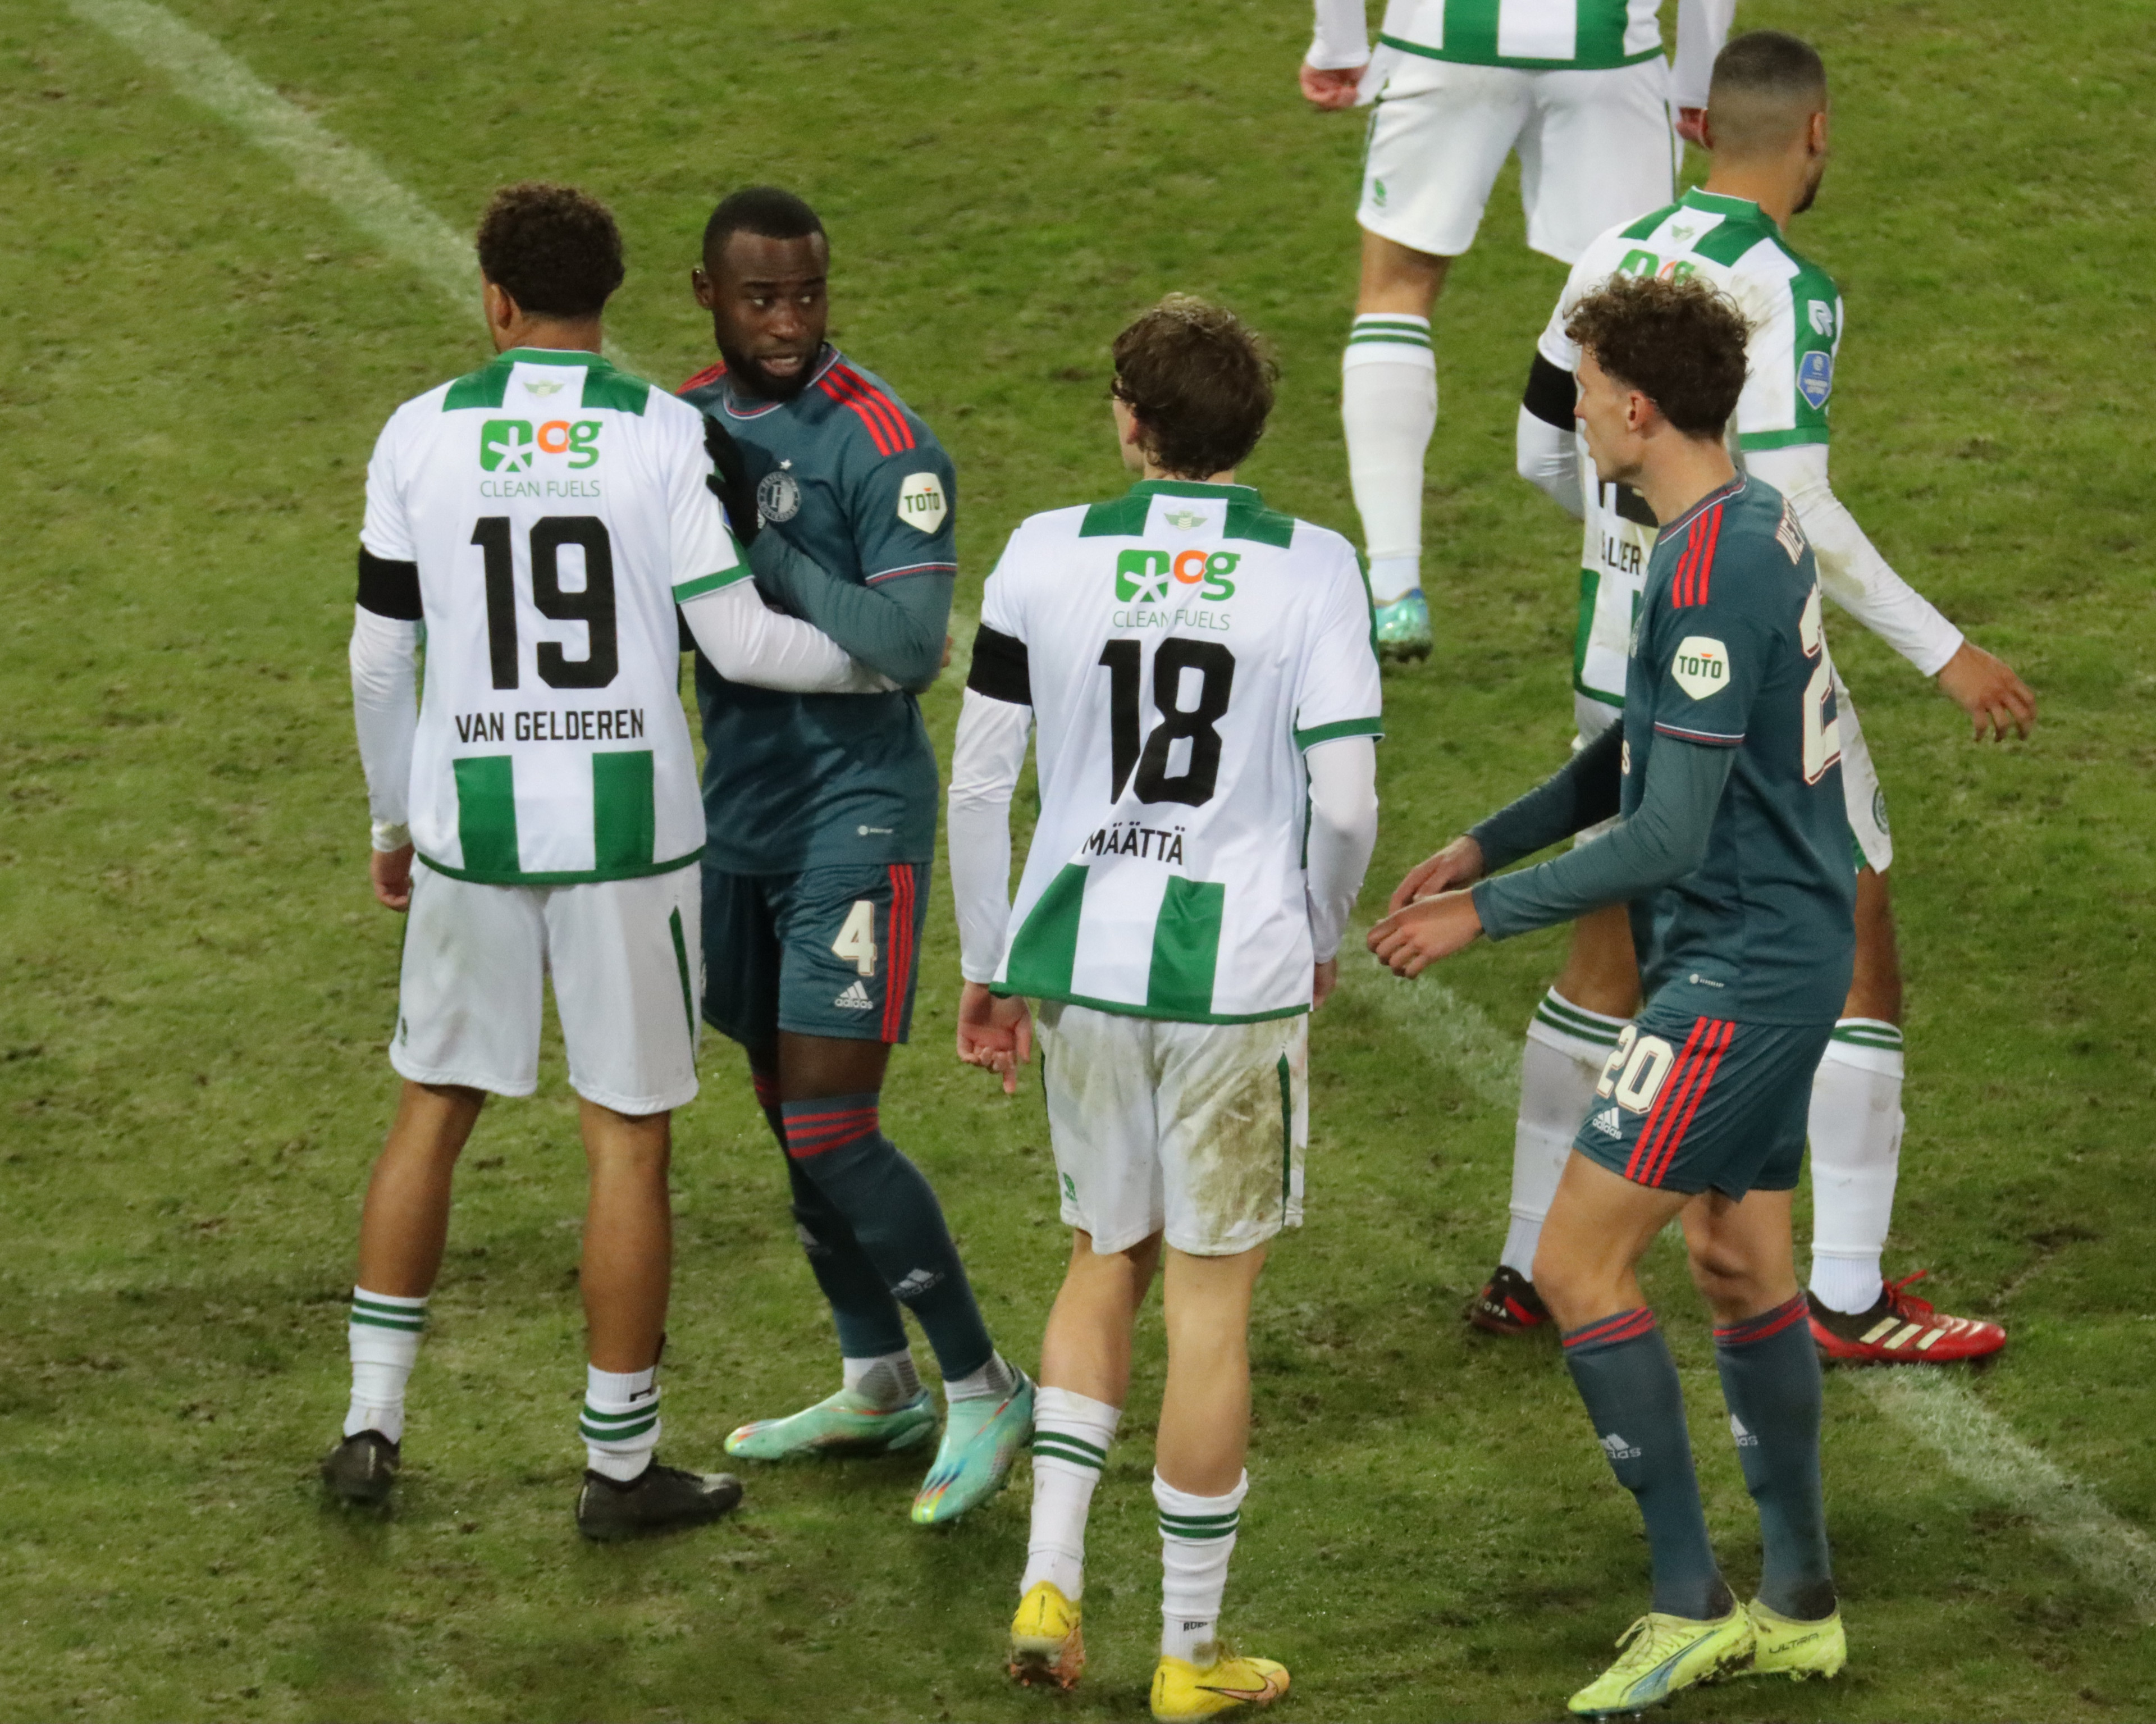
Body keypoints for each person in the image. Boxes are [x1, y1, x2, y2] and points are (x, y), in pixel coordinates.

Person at [327, 183, 896, 1538]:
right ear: (612, 298)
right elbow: (744, 642)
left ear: (496, 298)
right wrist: (879, 662)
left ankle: (370, 1423)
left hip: (472, 820)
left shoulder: (419, 433)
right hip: (635, 831)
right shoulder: (659, 431)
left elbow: (376, 656)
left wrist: (391, 823)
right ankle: (620, 1467)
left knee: (433, 1107)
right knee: (625, 1140)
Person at [1465, 29, 2034, 1362]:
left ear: (1699, 126)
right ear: (1816, 133)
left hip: (1618, 642)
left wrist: (1631, 542)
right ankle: (1840, 1289)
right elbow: (1794, 503)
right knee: (1851, 925)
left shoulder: (1608, 250)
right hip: (1746, 655)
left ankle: (1518, 1261)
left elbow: (1541, 445)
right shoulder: (1790, 290)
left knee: (1604, 952)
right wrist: (1943, 648)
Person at [1372, 271, 1850, 1714]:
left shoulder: (1705, 565)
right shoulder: (1737, 515)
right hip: (1776, 940)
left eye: (1582, 392)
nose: (1574, 415)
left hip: (1736, 963)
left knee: (1577, 1265)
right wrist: (1488, 833)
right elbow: (1639, 749)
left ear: (1635, 408)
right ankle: (1802, 1604)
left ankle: (1682, 1600)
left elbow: (1664, 833)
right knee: (1739, 1264)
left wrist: (1480, 914)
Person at [949, 297, 1381, 1721]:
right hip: (1229, 973)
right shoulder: (1314, 569)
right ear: (1248, 427)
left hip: (1075, 956)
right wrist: (1316, 929)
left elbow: (975, 784)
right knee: (1209, 1305)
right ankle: (1188, 1654)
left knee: (1096, 1255)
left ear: (1130, 421)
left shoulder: (1038, 554)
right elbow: (1351, 796)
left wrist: (989, 958)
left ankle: (1048, 1576)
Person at [677, 186, 1032, 1524]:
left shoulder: (885, 445)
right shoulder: (680, 422)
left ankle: (984, 1378)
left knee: (834, 1116)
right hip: (738, 810)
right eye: (760, 297)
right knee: (783, 1109)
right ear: (704, 292)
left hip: (855, 810)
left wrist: (762, 544)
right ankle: (874, 1375)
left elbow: (907, 647)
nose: (787, 323)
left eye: (808, 295)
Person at [1299, 0, 1735, 659]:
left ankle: (1394, 591)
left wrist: (1338, 45)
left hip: (1447, 36)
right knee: (1641, 319)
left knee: (1395, 294)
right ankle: (1666, 581)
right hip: (1604, 45)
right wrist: (1698, 82)